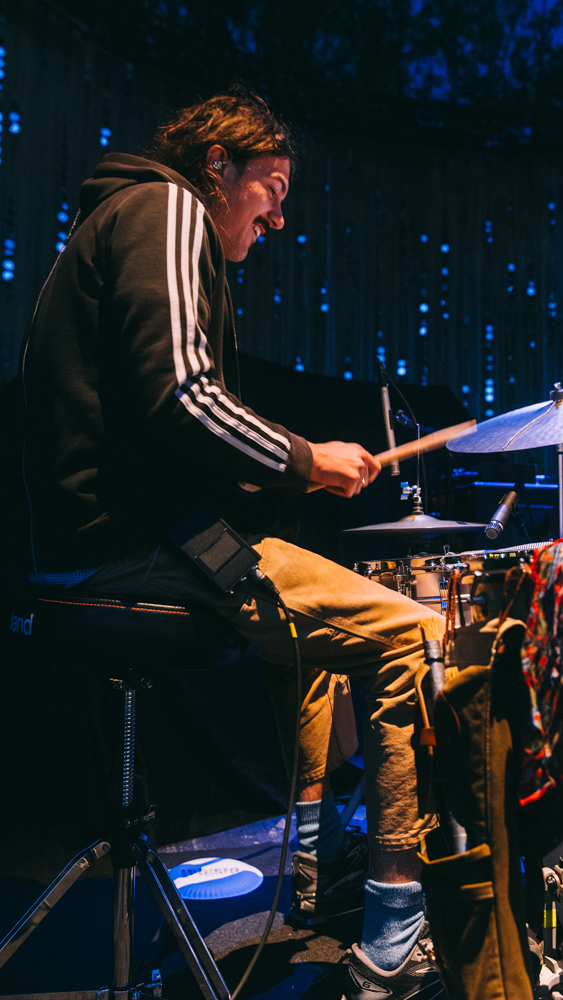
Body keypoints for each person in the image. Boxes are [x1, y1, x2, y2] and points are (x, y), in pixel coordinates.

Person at [18, 86, 447, 999]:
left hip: (92, 544)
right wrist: (306, 459)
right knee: (403, 631)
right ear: (219, 166)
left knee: (321, 652)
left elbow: (155, 412)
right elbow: (177, 396)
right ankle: (396, 930)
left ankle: (304, 886)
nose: (280, 215)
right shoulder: (167, 204)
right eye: (271, 187)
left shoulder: (117, 217)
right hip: (136, 547)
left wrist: (290, 466)